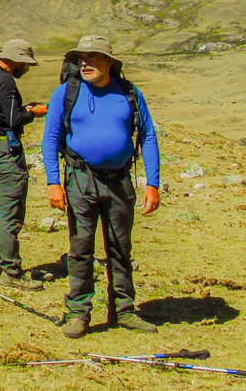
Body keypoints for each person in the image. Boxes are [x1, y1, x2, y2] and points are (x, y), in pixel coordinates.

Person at [41, 35, 161, 338]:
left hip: (120, 181)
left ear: (109, 62)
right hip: (81, 180)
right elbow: (50, 138)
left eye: (93, 57)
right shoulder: (65, 93)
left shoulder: (130, 93)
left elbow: (147, 136)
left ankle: (123, 311)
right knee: (81, 248)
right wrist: (54, 182)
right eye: (81, 58)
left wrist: (153, 183)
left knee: (120, 247)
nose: (85, 62)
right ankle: (78, 313)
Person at [0, 39, 48, 289]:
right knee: (10, 210)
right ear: (16, 60)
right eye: (25, 65)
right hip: (6, 148)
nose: (26, 69)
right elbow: (14, 118)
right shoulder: (5, 80)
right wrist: (34, 113)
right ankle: (12, 272)